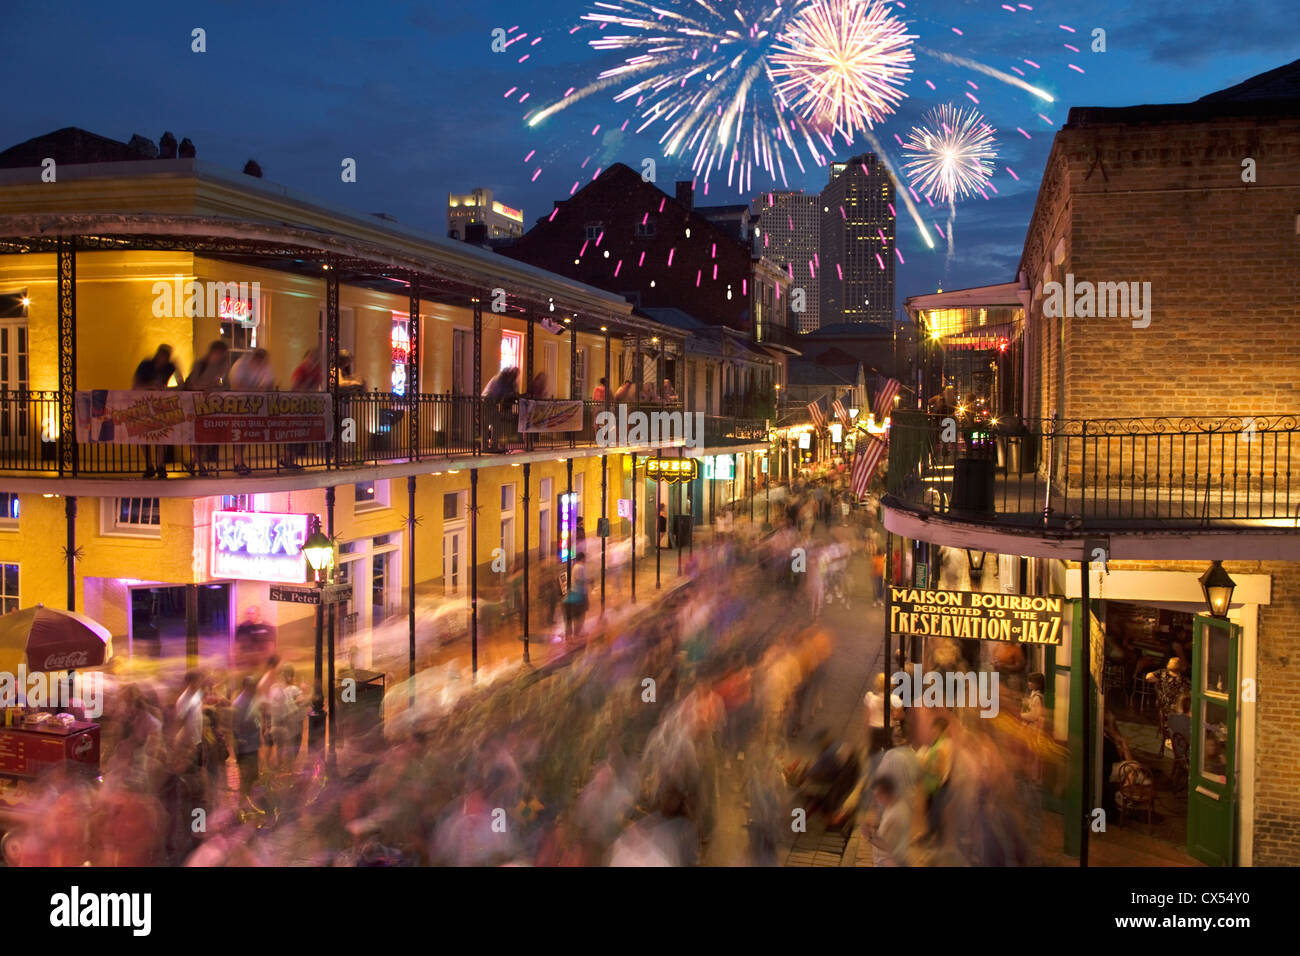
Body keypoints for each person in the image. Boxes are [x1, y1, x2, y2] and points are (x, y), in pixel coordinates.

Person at [184, 340, 230, 476]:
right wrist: (204, 388)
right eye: (219, 353)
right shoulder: (200, 364)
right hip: (193, 403)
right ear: (213, 352)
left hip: (209, 405)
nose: (221, 356)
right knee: (195, 435)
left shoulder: (223, 366)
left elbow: (226, 385)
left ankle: (195, 462)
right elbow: (192, 383)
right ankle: (200, 465)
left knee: (204, 436)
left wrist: (214, 389)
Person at [133, 344, 179, 478]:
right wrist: (152, 386)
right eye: (161, 358)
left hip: (160, 405)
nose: (162, 361)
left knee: (161, 435)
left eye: (165, 358)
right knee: (144, 435)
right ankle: (149, 465)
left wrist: (167, 389)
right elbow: (136, 385)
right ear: (157, 356)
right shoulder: (146, 365)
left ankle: (160, 465)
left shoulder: (170, 367)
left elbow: (182, 382)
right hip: (143, 404)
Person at [229, 347, 274, 474]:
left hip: (252, 405)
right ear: (255, 358)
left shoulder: (264, 365)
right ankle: (238, 461)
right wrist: (257, 389)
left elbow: (269, 383)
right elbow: (237, 385)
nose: (261, 365)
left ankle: (240, 461)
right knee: (238, 433)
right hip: (238, 404)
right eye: (260, 361)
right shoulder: (241, 365)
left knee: (245, 434)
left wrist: (258, 389)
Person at [282, 348, 322, 470]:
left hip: (308, 406)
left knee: (303, 435)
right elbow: (295, 386)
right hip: (298, 406)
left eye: (315, 357)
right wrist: (305, 390)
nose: (313, 359)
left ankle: (292, 460)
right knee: (296, 433)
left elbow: (317, 386)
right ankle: (286, 459)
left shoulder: (316, 371)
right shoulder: (301, 369)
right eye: (311, 356)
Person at [1145, 657, 1189, 754]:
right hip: (1169, 707)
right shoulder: (1163, 673)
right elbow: (1148, 677)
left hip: (1177, 706)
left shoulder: (1182, 679)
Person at [231, 676, 262, 812]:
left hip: (252, 744)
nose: (255, 689)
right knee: (245, 777)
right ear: (247, 687)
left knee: (252, 776)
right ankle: (242, 806)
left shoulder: (251, 699)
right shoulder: (238, 704)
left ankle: (247, 803)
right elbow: (235, 728)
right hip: (244, 747)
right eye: (253, 687)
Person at [866, 776, 911, 866]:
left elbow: (889, 847)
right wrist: (876, 825)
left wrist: (869, 836)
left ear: (886, 793)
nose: (876, 799)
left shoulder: (897, 814)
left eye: (878, 795)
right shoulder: (892, 805)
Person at [562, 551, 589, 643]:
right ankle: (576, 635)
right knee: (579, 617)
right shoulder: (580, 567)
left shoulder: (576, 567)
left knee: (570, 619)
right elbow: (580, 580)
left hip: (571, 598)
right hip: (578, 596)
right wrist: (589, 581)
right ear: (583, 558)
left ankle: (570, 637)